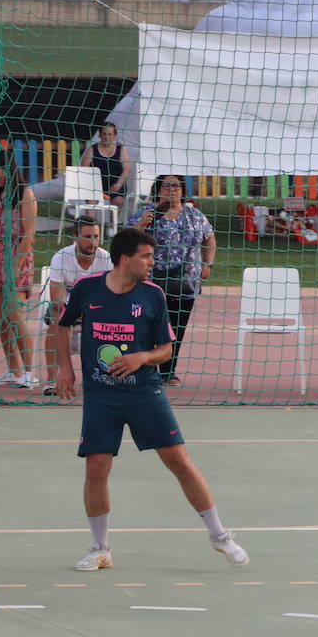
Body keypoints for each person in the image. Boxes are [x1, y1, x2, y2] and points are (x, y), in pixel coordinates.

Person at [54, 227, 248, 571]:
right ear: (125, 258)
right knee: (96, 467)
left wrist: (140, 358)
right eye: (146, 256)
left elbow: (164, 350)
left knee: (179, 461)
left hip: (145, 393)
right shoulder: (88, 289)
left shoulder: (153, 295)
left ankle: (220, 536)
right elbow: (63, 324)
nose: (151, 262)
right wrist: (64, 368)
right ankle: (100, 548)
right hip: (101, 396)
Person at [128, 175, 215, 385]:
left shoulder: (195, 215)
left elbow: (209, 237)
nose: (171, 190)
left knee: (177, 328)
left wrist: (207, 263)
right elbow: (126, 239)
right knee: (149, 326)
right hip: (151, 280)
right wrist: (141, 224)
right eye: (166, 186)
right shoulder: (147, 213)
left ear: (183, 190)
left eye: (176, 186)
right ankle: (147, 369)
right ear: (158, 190)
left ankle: (168, 371)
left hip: (185, 280)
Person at [0, 147, 38, 387]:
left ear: (7, 169)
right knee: (2, 319)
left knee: (15, 316)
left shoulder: (25, 195)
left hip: (16, 260)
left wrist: (15, 267)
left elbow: (29, 236)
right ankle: (13, 371)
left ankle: (30, 372)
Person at [42, 217, 112, 396]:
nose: (93, 242)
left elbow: (111, 293)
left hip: (96, 308)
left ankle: (103, 376)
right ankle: (51, 380)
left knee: (112, 325)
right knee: (54, 322)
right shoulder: (61, 256)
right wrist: (75, 313)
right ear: (75, 238)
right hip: (67, 306)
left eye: (96, 236)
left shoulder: (106, 258)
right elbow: (56, 297)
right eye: (88, 237)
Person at [76, 121, 131, 211]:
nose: (107, 137)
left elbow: (127, 169)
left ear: (114, 135)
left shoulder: (121, 149)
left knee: (118, 201)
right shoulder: (92, 149)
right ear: (99, 135)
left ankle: (112, 225)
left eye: (110, 134)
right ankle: (89, 223)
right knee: (91, 202)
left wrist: (119, 183)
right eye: (104, 134)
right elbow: (84, 169)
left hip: (115, 184)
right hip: (97, 185)